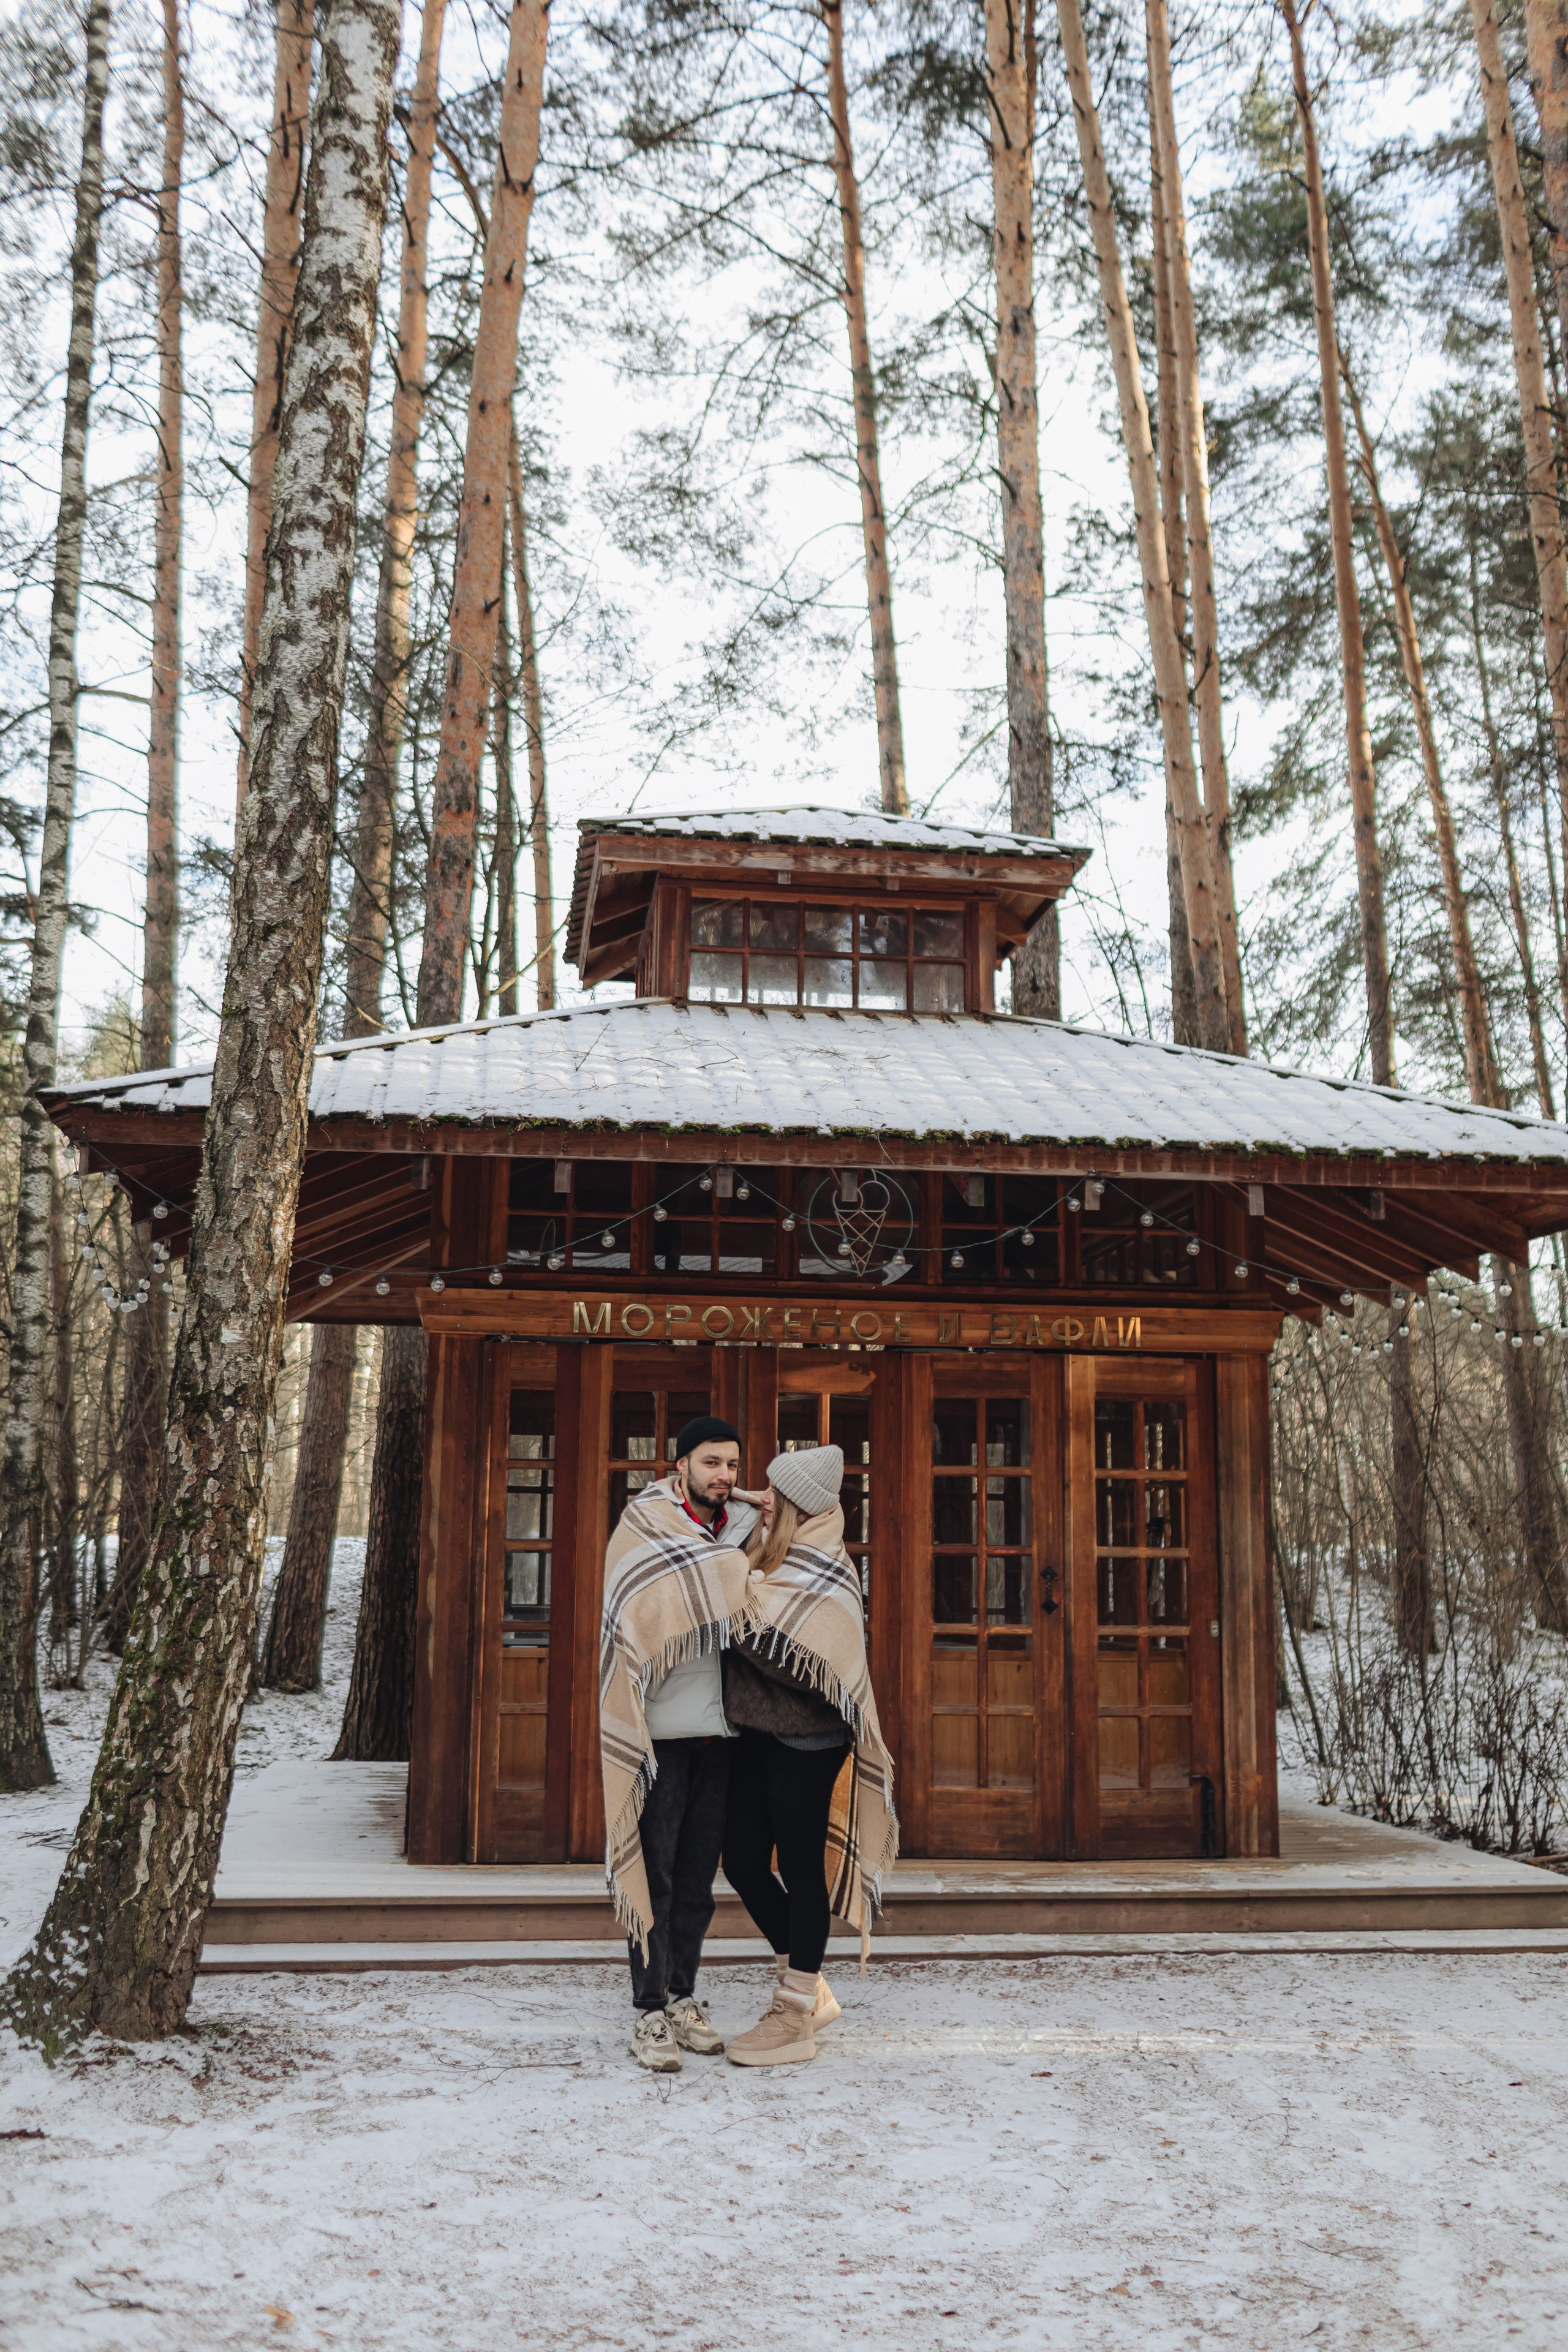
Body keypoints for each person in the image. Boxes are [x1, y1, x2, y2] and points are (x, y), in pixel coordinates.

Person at [719, 1443, 899, 2069]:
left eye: (775, 1492)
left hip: (808, 1742)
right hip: (755, 1733)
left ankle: (795, 2011)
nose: (762, 1498)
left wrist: (732, 1613)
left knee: (800, 1871)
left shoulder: (827, 1568)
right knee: (742, 1861)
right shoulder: (768, 1552)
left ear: (799, 1504)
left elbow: (806, 1666)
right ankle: (808, 1984)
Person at [599, 1415, 758, 2074]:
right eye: (711, 1463)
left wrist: (759, 1510)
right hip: (661, 1732)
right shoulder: (647, 1524)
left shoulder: (742, 1529)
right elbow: (633, 1616)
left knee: (697, 1880)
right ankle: (649, 2011)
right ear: (681, 1465)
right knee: (655, 1875)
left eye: (733, 1466)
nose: (724, 1475)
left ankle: (683, 1996)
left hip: (722, 1733)